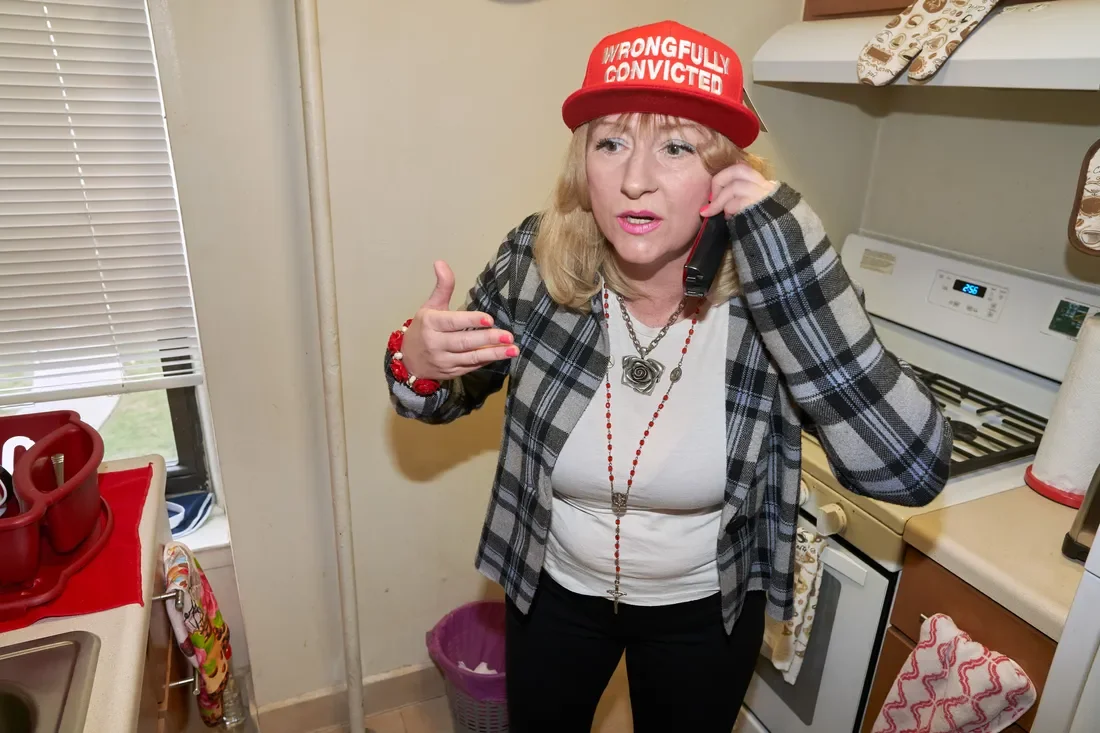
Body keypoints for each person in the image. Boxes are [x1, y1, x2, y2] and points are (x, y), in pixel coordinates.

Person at [384, 19, 952, 733]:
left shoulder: (771, 294)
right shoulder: (536, 260)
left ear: (726, 175)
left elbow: (911, 472)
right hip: (555, 588)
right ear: (581, 165)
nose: (634, 179)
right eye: (611, 141)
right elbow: (433, 398)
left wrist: (797, 260)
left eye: (677, 146)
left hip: (705, 607)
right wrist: (416, 360)